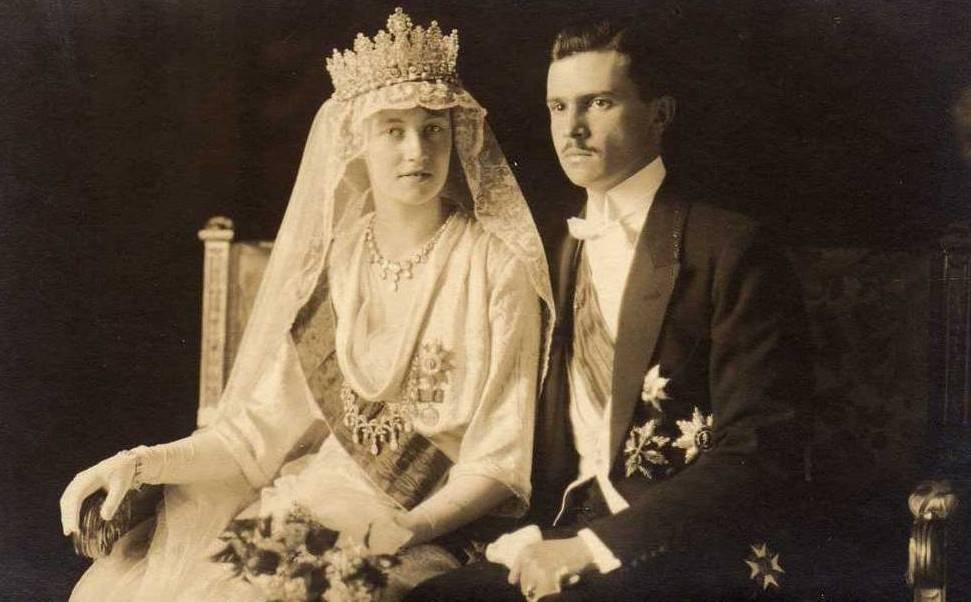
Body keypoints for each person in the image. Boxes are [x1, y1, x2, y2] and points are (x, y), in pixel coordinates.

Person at [59, 8, 554, 601]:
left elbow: (499, 462)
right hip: (303, 511)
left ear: (457, 136)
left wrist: (405, 528)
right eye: (392, 129)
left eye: (432, 129)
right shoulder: (337, 261)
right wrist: (139, 463)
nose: (415, 150)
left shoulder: (497, 266)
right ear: (357, 141)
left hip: (428, 528)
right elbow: (253, 438)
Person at [408, 16, 811, 601]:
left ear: (659, 114)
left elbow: (759, 449)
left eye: (598, 103)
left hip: (682, 548)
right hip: (560, 530)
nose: (572, 129)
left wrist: (593, 549)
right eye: (557, 107)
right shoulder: (547, 249)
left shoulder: (728, 248)